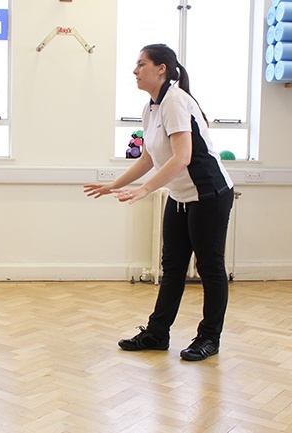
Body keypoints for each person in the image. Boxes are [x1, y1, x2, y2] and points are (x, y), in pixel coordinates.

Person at [84, 44, 234, 361]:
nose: (135, 71)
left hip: (209, 195)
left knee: (210, 269)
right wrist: (115, 185)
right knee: (173, 268)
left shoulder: (176, 101)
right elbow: (148, 158)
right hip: (181, 197)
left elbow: (183, 158)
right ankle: (157, 333)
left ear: (161, 68)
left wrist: (146, 190)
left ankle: (209, 339)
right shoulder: (151, 107)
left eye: (142, 64)